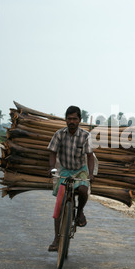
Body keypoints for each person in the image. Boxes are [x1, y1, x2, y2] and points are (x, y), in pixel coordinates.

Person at [47, 106, 95, 252]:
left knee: (83, 189)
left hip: (80, 170)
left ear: (79, 120)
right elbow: (52, 152)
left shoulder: (85, 136)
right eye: (69, 119)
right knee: (60, 203)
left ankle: (79, 212)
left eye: (74, 118)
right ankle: (56, 238)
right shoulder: (59, 134)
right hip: (65, 170)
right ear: (66, 120)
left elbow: (90, 157)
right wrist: (51, 168)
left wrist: (91, 173)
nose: (72, 121)